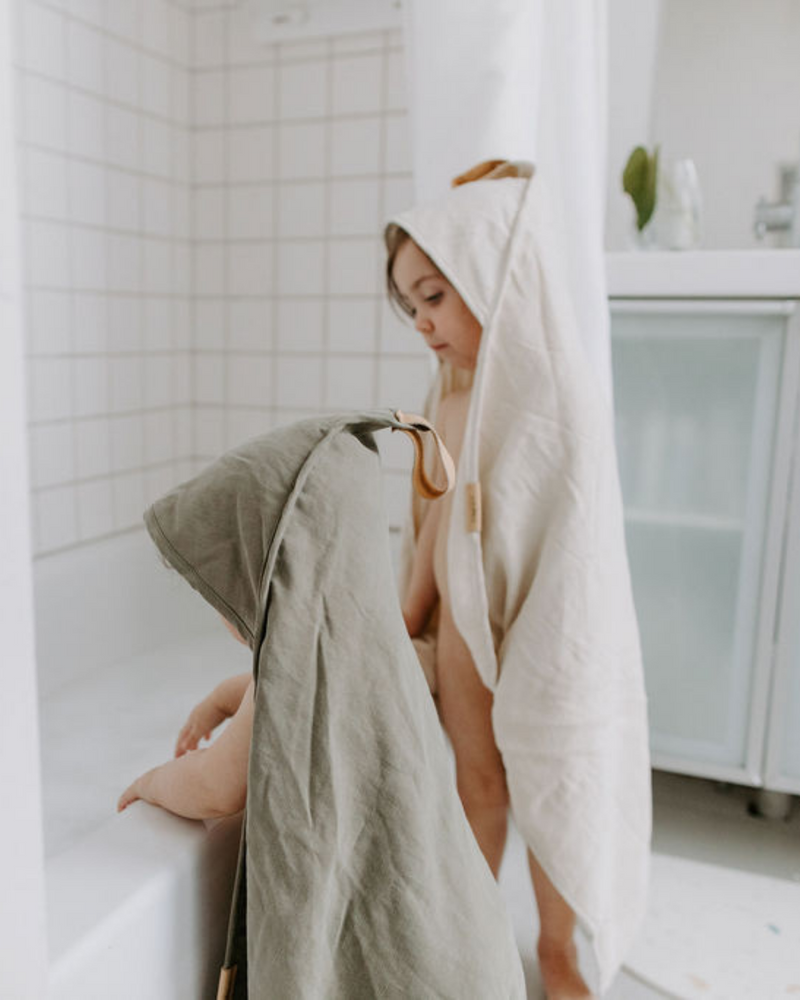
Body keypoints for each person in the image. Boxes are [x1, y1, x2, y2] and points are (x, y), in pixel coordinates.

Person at [117, 411, 526, 1000]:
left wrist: (153, 782)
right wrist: (226, 696)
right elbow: (312, 701)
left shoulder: (290, 679)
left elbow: (214, 787)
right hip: (467, 947)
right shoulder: (383, 651)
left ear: (278, 579)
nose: (224, 607)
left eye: (230, 585)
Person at [386, 160, 651, 999]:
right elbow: (434, 528)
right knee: (479, 782)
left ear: (490, 274)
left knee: (553, 783)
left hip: (546, 623)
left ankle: (559, 949)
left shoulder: (559, 395)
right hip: (466, 627)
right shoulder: (449, 402)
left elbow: (576, 538)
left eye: (435, 295)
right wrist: (407, 616)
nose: (422, 322)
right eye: (410, 305)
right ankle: (472, 938)